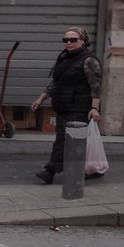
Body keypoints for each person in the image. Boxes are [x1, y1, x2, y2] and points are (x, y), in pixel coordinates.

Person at [30, 26, 102, 184]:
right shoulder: (63, 58)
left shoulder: (89, 60)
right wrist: (41, 98)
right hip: (63, 106)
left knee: (65, 141)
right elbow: (56, 82)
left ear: (83, 41)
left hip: (79, 107)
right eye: (66, 40)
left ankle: (50, 171)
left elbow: (95, 87)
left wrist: (94, 108)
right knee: (66, 141)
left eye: (73, 40)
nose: (68, 42)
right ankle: (85, 170)